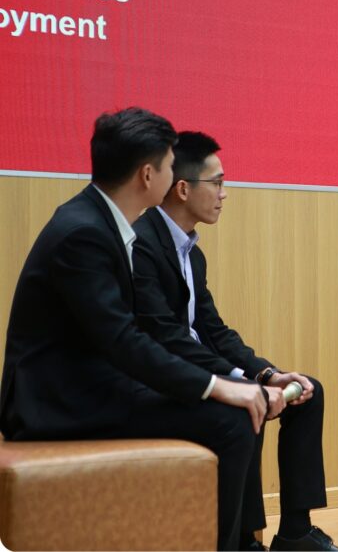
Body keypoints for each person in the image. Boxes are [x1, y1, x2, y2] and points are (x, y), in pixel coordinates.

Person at [0, 108, 270, 551]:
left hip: (93, 386)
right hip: (57, 403)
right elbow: (123, 341)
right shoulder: (83, 233)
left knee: (233, 405)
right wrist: (216, 385)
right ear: (148, 175)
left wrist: (220, 382)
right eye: (169, 164)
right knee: (231, 418)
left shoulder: (100, 221)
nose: (173, 174)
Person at [131, 132, 338, 552]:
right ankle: (244, 540)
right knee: (248, 403)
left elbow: (213, 330)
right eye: (218, 183)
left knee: (307, 392)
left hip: (199, 367)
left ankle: (295, 532)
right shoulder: (142, 245)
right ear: (183, 188)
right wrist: (243, 382)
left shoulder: (191, 253)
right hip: (163, 379)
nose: (225, 194)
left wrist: (269, 373)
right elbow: (166, 337)